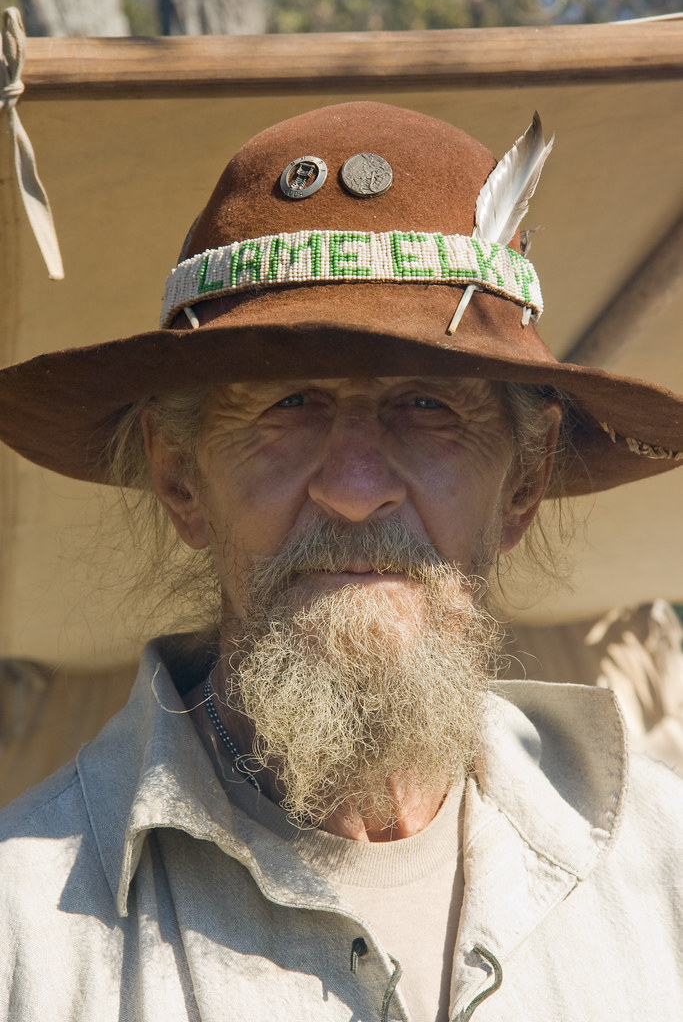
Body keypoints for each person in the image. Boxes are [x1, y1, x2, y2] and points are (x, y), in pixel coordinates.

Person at [1, 101, 682, 1022]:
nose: (355, 488)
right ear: (180, 480)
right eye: (288, 404)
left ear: (522, 483)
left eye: (428, 408)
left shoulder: (661, 865)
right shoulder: (24, 928)